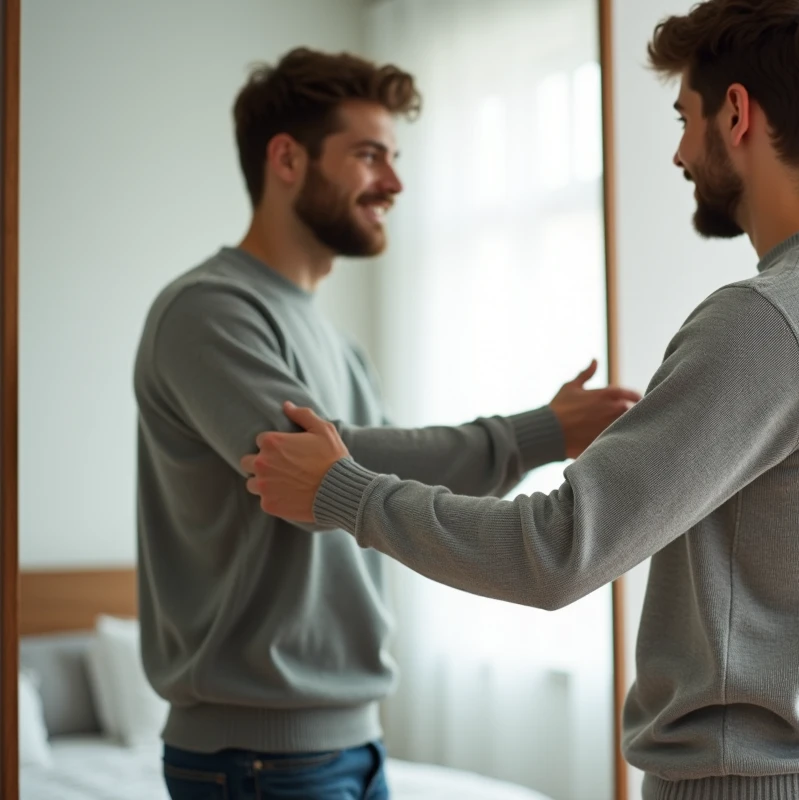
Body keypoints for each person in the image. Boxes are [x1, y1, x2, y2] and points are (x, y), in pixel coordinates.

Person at [245, 1, 799, 798]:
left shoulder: (764, 320)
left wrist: (347, 494)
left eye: (685, 117)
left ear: (736, 112)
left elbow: (555, 551)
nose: (682, 153)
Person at [134, 47, 639, 800]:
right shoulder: (208, 311)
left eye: (395, 158)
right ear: (287, 159)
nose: (395, 184)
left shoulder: (336, 343)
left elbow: (375, 474)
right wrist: (535, 434)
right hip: (255, 759)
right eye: (370, 156)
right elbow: (316, 470)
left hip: (351, 744)